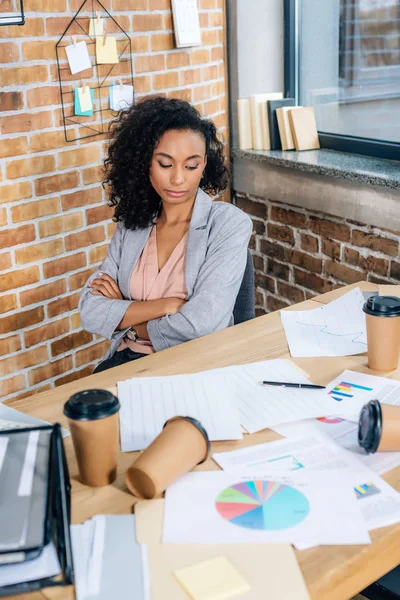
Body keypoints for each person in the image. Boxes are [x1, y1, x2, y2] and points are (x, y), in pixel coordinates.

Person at [79, 96, 252, 373]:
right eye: (165, 164)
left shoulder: (228, 224)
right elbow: (90, 310)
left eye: (191, 165)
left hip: (193, 367)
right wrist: (169, 305)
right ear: (145, 162)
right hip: (125, 363)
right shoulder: (133, 224)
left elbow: (200, 324)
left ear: (205, 163)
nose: (178, 179)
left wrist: (126, 315)